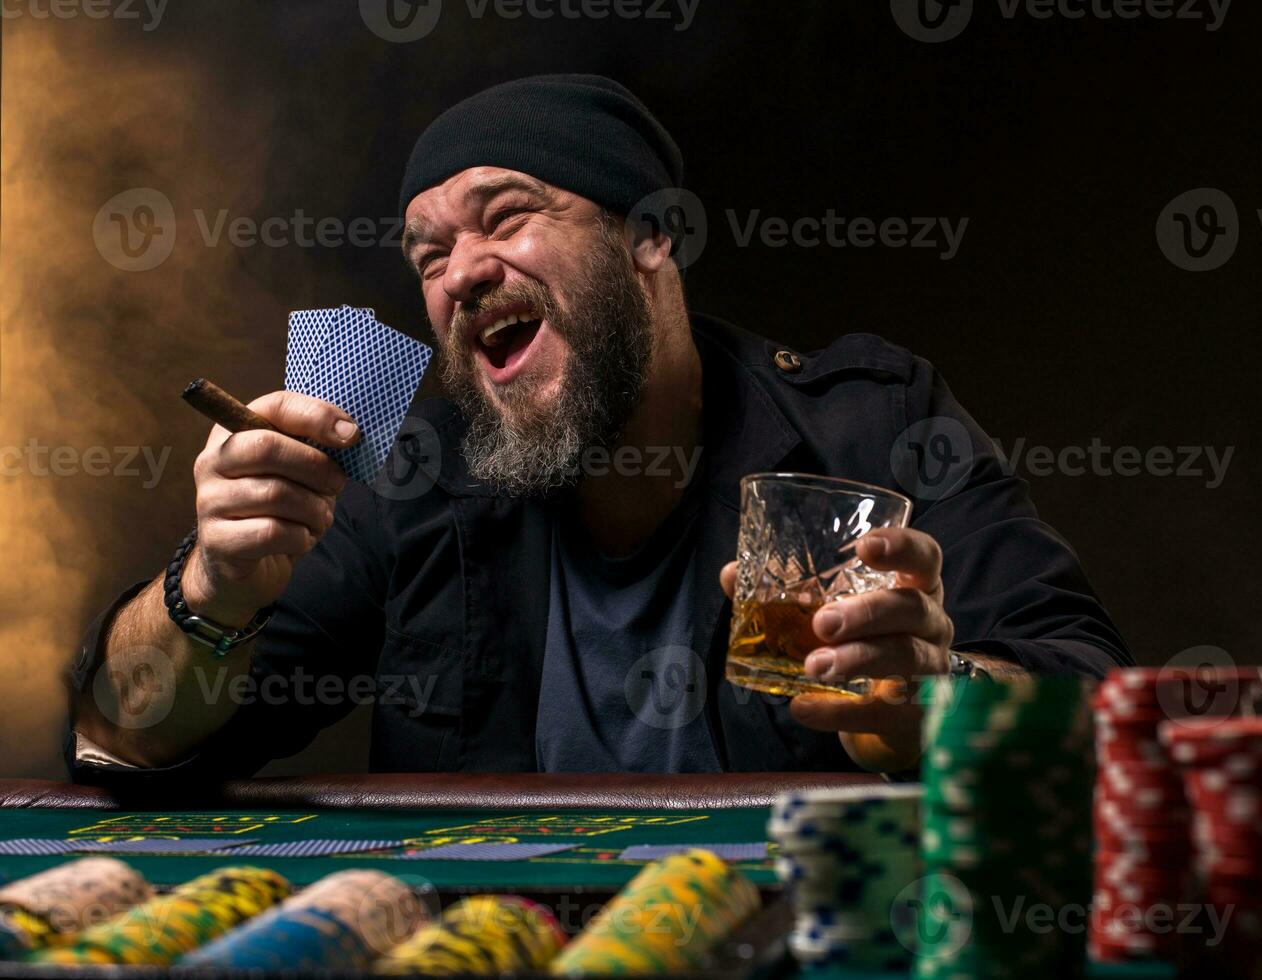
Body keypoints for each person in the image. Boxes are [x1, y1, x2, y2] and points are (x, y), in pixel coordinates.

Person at [68, 74, 1129, 783]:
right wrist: (209, 592)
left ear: (653, 235)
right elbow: (121, 741)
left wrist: (944, 700)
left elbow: (1101, 701)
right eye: (428, 254)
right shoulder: (412, 479)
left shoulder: (869, 423)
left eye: (507, 212)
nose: (463, 271)